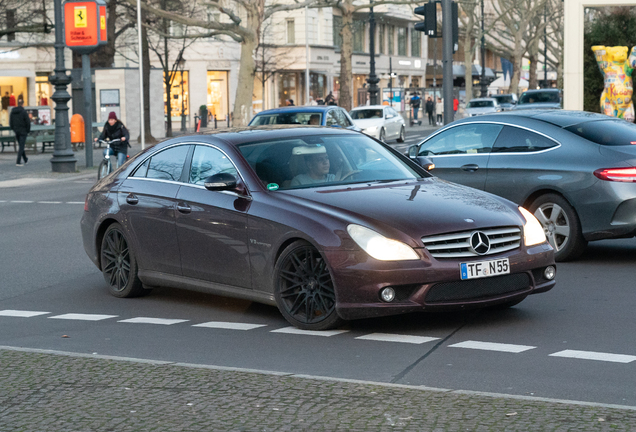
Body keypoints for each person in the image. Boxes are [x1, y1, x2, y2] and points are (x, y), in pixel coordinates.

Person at [10, 98, 31, 166]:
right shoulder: (23, 112)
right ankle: (18, 161)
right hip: (23, 131)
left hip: (16, 131)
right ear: (22, 104)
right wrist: (27, 130)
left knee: (21, 145)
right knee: (21, 146)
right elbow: (28, 122)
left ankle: (25, 159)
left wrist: (14, 129)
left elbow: (11, 122)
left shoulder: (13, 112)